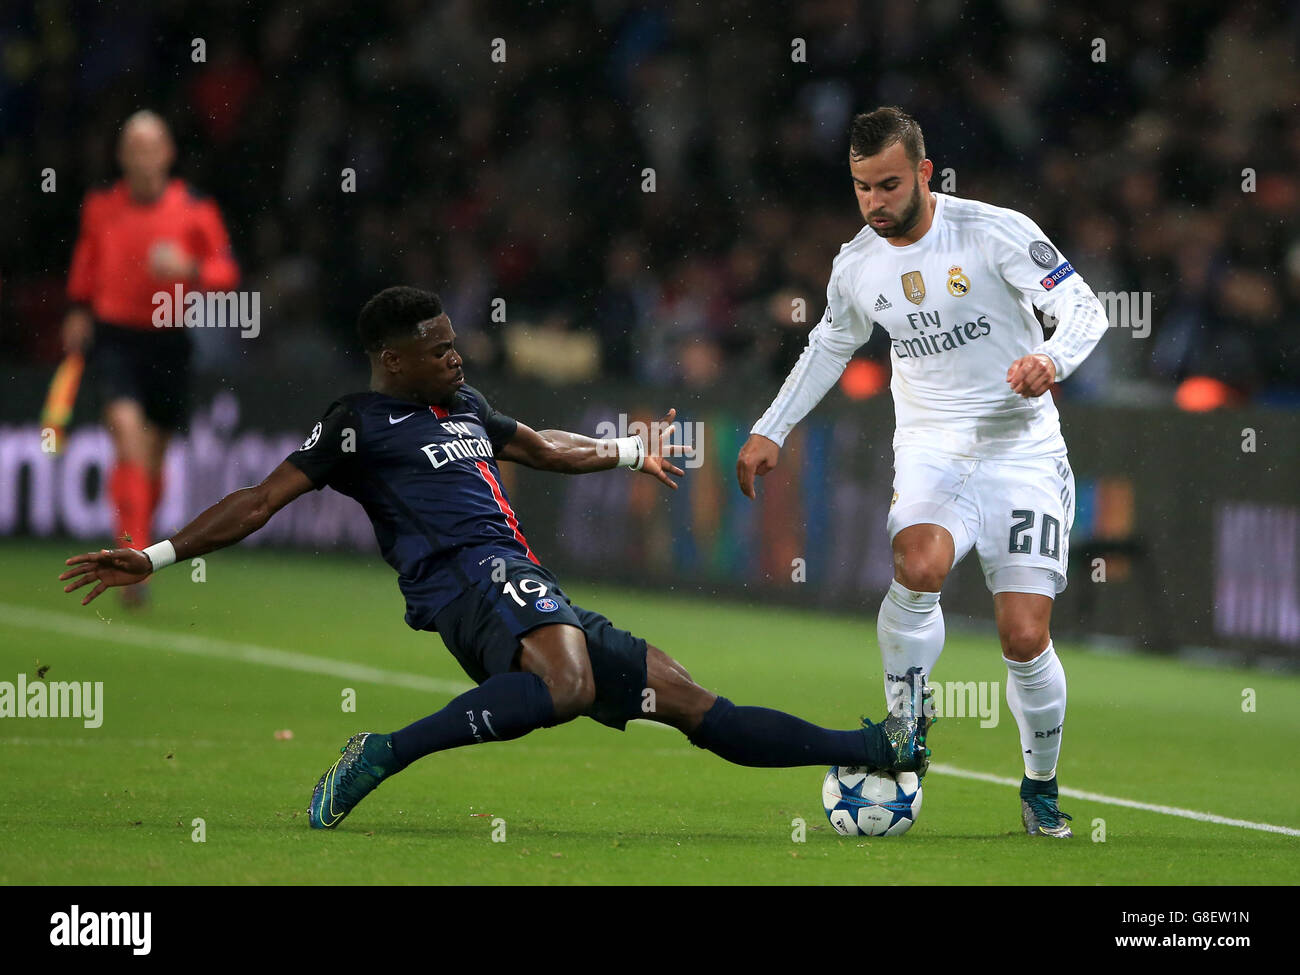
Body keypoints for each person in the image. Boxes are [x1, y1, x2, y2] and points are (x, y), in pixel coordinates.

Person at [61, 286, 932, 831]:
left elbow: (543, 446)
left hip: (526, 582)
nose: (455, 354)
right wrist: (159, 552)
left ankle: (879, 743)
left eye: (454, 342)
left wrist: (628, 453)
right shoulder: (357, 422)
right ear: (392, 359)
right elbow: (259, 498)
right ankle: (384, 752)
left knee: (695, 704)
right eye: (437, 347)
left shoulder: (465, 404)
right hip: (464, 583)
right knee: (565, 685)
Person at [736, 108, 1111, 838]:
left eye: (887, 184)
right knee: (919, 560)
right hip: (933, 447)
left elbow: (1085, 307)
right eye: (860, 187)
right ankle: (907, 722)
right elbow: (827, 349)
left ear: (923, 173)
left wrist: (1051, 359)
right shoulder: (857, 265)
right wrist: (769, 427)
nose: (874, 201)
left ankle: (1040, 786)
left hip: (1023, 452)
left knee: (1024, 636)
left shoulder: (993, 230)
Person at [63, 110, 239, 605]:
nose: (141, 157)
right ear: (121, 157)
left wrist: (191, 266)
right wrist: (78, 307)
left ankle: (138, 539)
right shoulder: (100, 206)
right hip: (116, 337)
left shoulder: (194, 209)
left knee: (154, 453)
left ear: (167, 154)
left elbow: (227, 271)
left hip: (169, 337)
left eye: (150, 147)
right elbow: (86, 261)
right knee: (127, 436)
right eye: (132, 148)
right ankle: (134, 553)